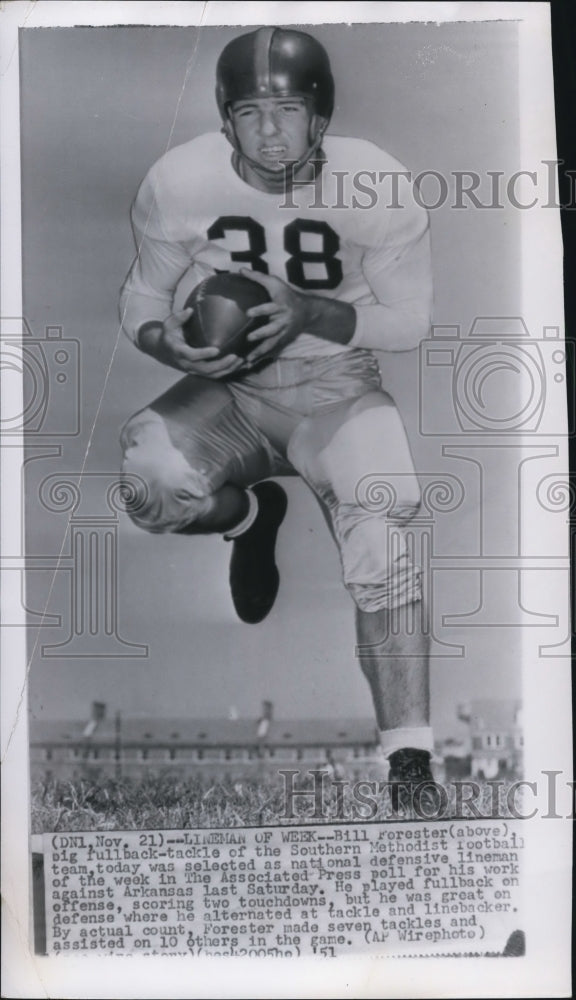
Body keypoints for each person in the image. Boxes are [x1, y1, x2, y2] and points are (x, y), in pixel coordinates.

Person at [119, 26, 436, 812]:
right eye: (251, 112)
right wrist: (169, 346)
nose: (268, 131)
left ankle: (409, 766)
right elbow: (141, 299)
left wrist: (310, 312)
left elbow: (410, 321)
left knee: (383, 530)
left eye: (287, 109)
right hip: (234, 391)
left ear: (320, 116)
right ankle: (251, 514)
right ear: (225, 119)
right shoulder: (178, 180)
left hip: (335, 387)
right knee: (148, 488)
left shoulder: (374, 182)